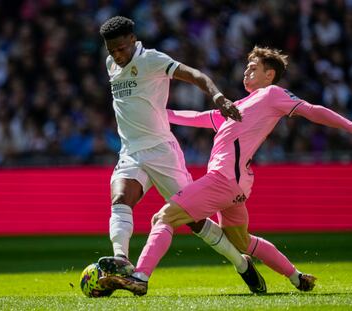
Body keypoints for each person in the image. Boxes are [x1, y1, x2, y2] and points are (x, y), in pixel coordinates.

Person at [98, 46, 352, 296]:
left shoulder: (272, 94)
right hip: (236, 185)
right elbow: (196, 117)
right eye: (246, 67)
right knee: (243, 242)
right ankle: (297, 277)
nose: (246, 72)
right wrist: (148, 113)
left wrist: (349, 125)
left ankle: (140, 276)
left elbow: (312, 111)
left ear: (270, 75)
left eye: (253, 68)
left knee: (163, 218)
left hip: (222, 180)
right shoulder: (238, 106)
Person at [96, 16, 266, 294]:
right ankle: (121, 260)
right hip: (130, 151)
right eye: (111, 50)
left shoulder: (152, 60)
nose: (117, 54)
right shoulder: (111, 64)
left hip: (162, 152)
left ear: (132, 40)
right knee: (120, 198)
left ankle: (241, 262)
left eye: (121, 48)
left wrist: (218, 97)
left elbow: (196, 75)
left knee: (195, 221)